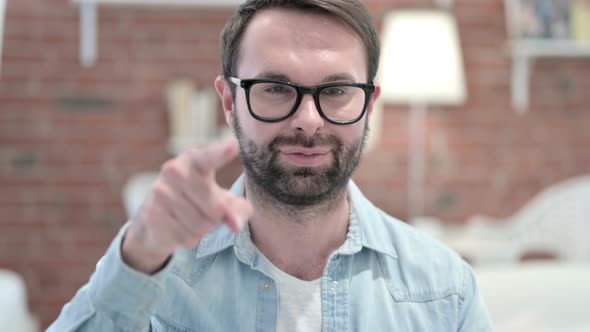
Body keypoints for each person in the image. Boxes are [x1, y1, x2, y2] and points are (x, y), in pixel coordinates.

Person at [49, 0, 492, 331]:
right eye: (276, 89)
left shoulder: (444, 291)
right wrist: (140, 254)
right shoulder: (156, 275)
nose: (307, 121)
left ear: (369, 103)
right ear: (229, 100)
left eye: (336, 91)